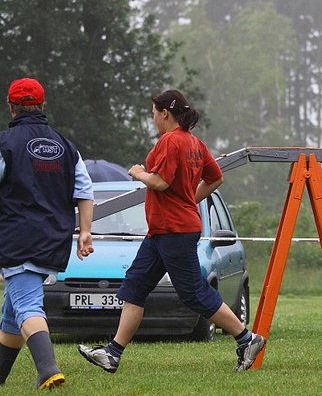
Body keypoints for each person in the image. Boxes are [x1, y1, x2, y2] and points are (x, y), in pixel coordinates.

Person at [77, 89, 266, 373]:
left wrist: (138, 172)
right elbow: (216, 178)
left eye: (154, 112)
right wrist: (190, 197)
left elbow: (161, 182)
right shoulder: (194, 143)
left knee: (193, 293)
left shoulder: (170, 141)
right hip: (162, 231)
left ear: (165, 113)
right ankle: (112, 353)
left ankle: (246, 338)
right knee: (135, 287)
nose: (153, 117)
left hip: (175, 230)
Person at [0, 78, 94, 389]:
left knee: (27, 306)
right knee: (12, 316)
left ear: (11, 107)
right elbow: (84, 190)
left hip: (16, 237)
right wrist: (85, 232)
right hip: (53, 238)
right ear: (43, 105)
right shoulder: (66, 146)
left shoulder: (4, 143)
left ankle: (48, 370)